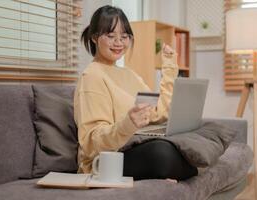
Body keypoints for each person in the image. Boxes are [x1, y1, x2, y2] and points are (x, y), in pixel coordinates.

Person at [74, 5, 197, 180]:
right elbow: (92, 143)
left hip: (133, 145)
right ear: (94, 38)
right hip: (106, 160)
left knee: (201, 133)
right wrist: (127, 124)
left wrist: (169, 68)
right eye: (111, 36)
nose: (119, 42)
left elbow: (159, 113)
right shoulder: (92, 76)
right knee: (162, 153)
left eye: (124, 37)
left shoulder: (129, 75)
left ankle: (180, 167)